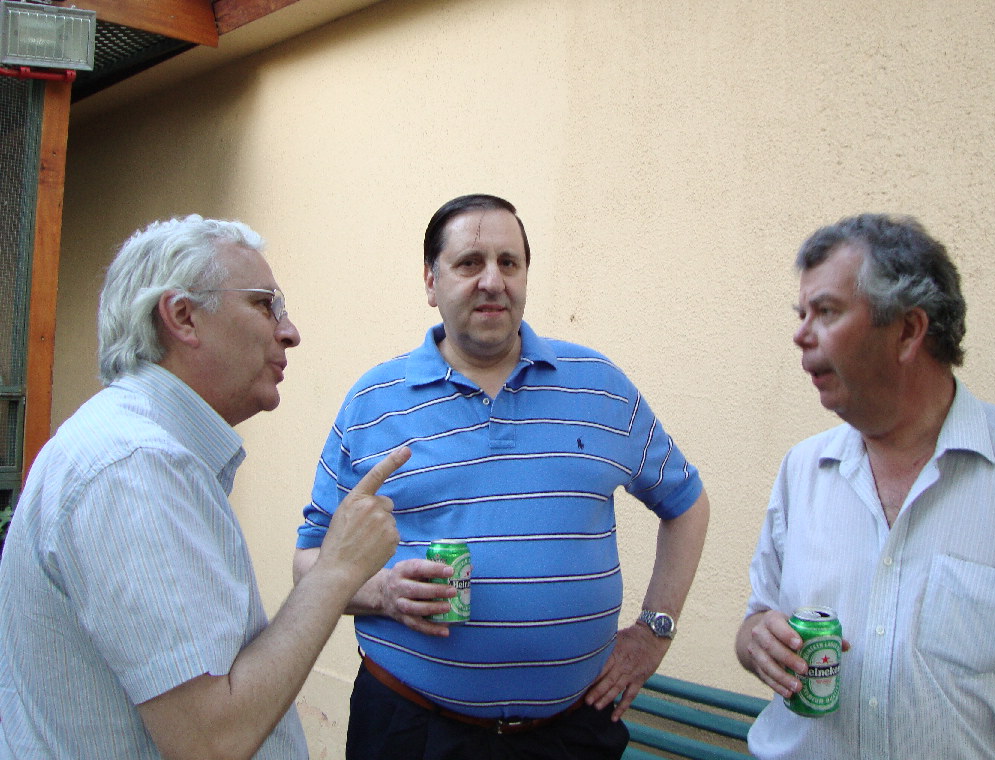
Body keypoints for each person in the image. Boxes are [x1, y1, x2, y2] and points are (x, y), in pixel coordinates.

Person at [293, 194, 710, 759]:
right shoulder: (373, 403)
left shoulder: (600, 386)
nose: (493, 281)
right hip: (412, 729)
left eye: (508, 263)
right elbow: (309, 560)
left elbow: (686, 504)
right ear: (431, 281)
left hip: (571, 733)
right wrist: (383, 593)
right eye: (470, 263)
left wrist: (653, 633)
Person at [0, 215, 408, 759]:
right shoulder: (135, 467)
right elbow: (212, 741)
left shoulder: (138, 449)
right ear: (182, 317)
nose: (289, 331)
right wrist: (337, 568)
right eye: (265, 305)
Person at [735, 214, 995, 759]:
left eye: (826, 311)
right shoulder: (802, 469)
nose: (800, 334)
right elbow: (755, 620)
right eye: (801, 314)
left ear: (907, 330)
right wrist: (759, 641)